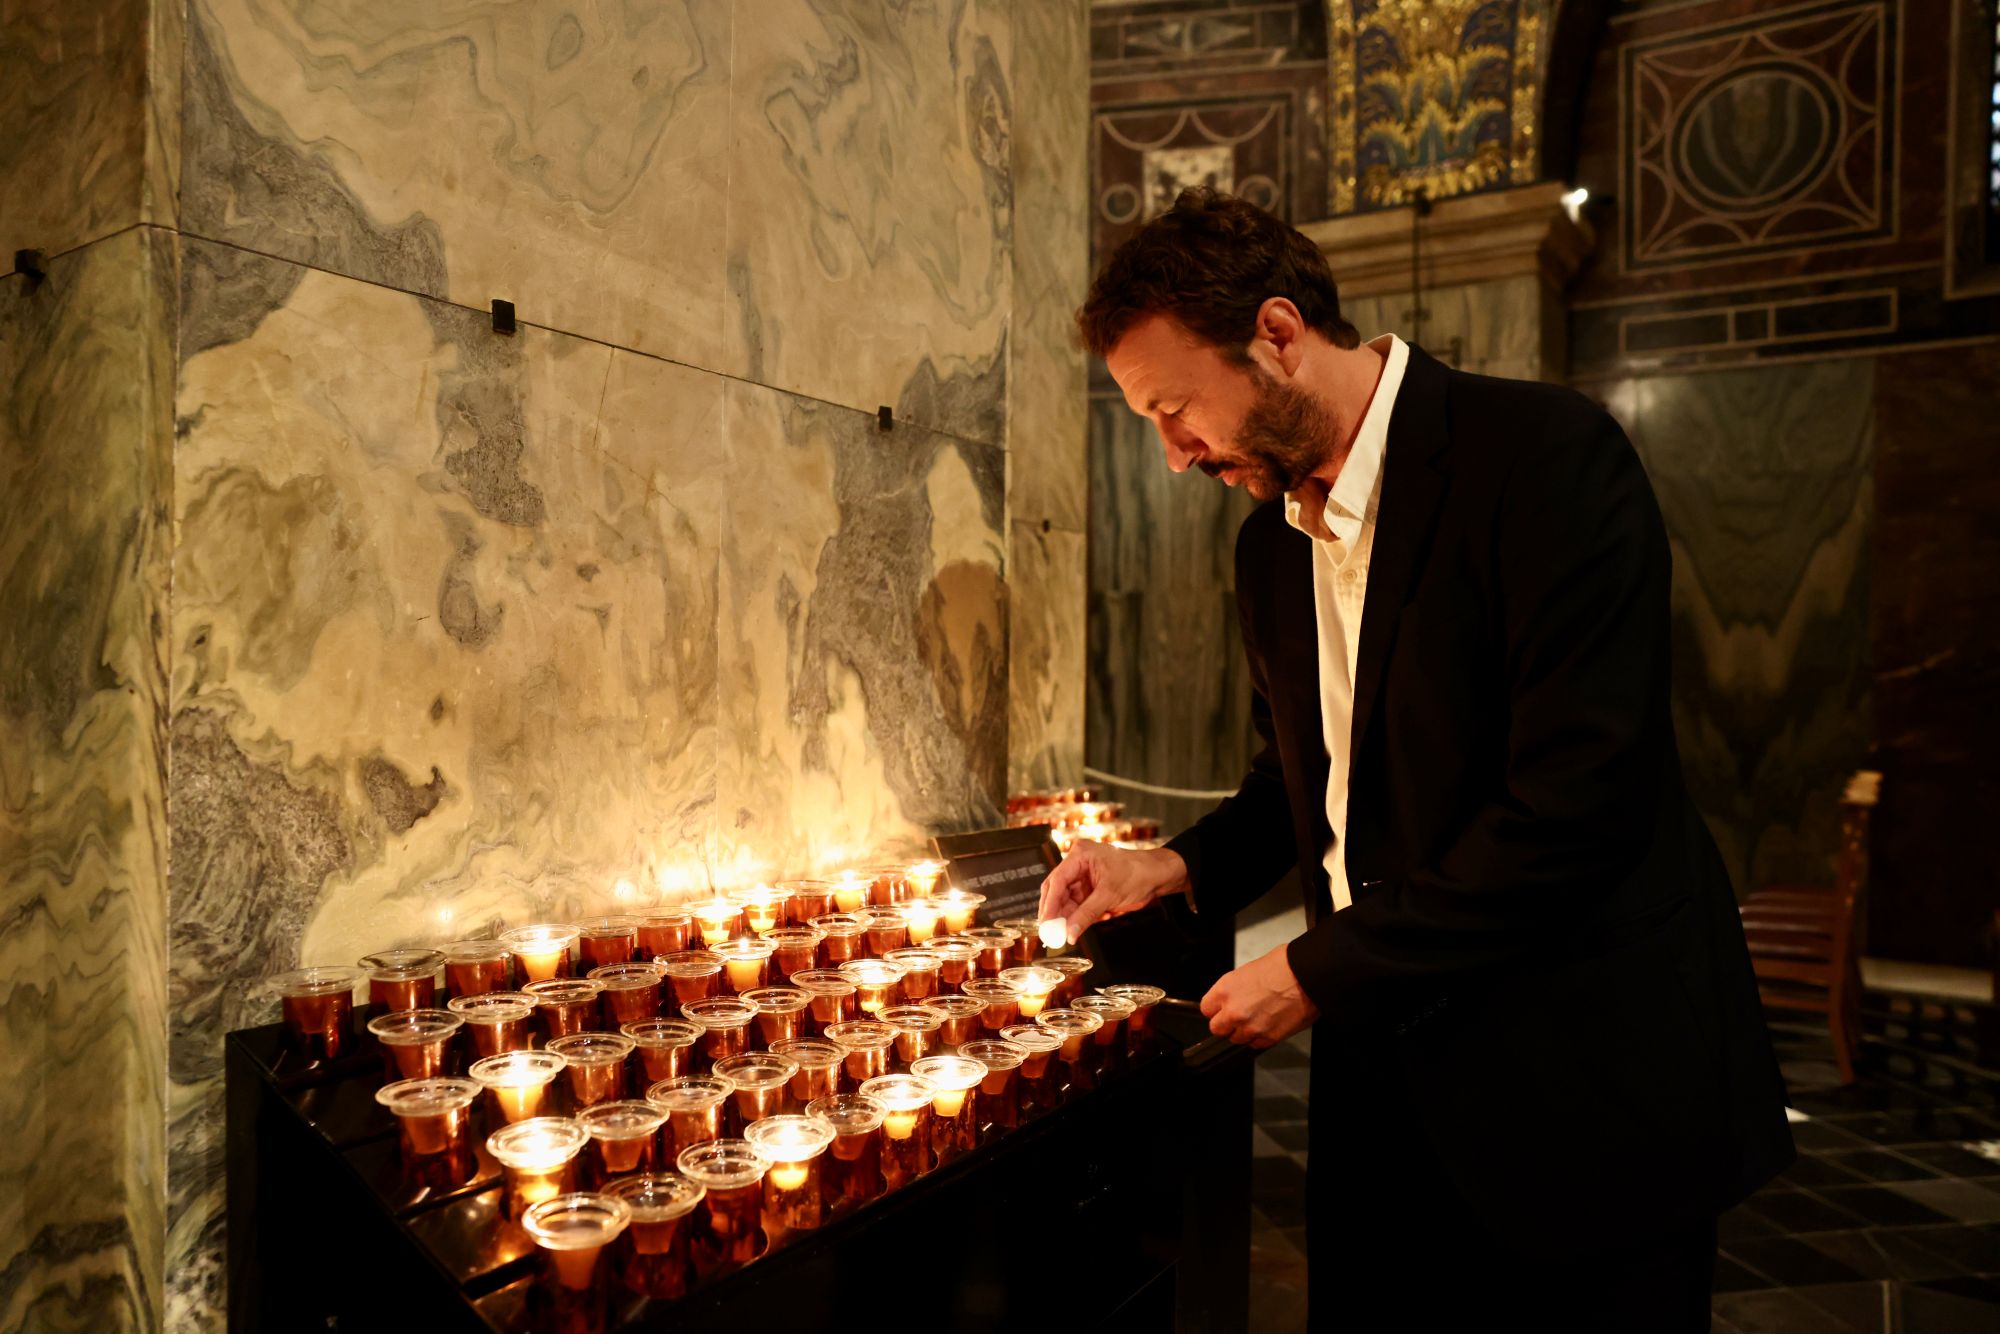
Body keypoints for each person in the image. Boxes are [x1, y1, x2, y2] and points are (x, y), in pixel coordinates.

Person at [1039, 188, 1793, 1329]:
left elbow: (1573, 810)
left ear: (1277, 334)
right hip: (1384, 1082)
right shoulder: (1265, 548)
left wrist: (1311, 971)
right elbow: (1297, 778)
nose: (1173, 456)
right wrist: (1174, 869)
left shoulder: (1543, 458)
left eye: (1176, 408)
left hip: (1580, 1085)